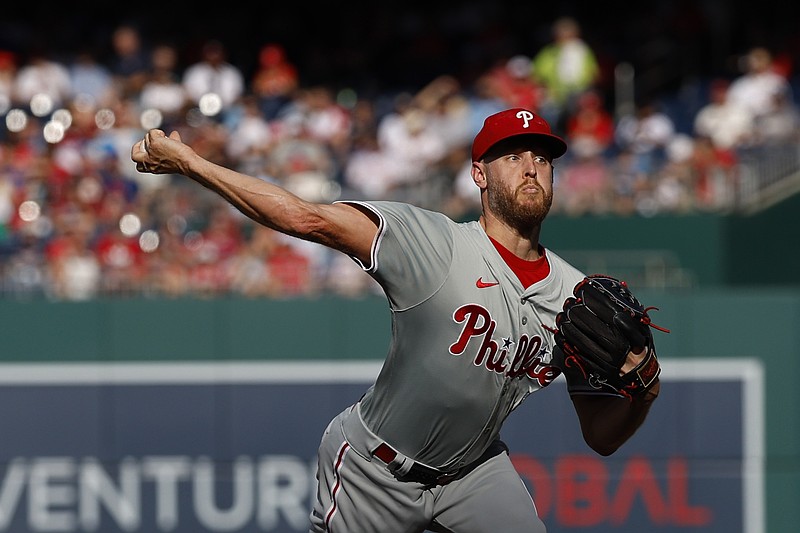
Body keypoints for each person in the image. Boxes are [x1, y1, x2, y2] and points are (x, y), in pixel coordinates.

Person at [131, 107, 660, 533]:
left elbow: (601, 437)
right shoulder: (432, 243)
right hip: (375, 469)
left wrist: (644, 392)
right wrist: (190, 164)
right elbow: (306, 216)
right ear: (478, 173)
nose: (530, 167)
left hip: (474, 472)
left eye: (542, 158)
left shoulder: (575, 297)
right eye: (511, 156)